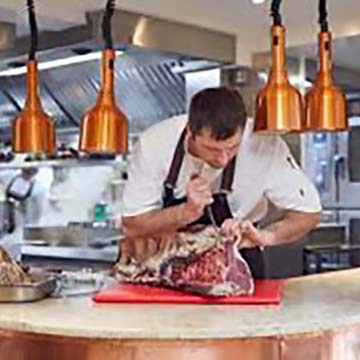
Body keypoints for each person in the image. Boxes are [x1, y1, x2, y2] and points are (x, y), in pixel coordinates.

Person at [120, 87, 321, 277]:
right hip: (168, 265)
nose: (223, 159)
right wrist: (185, 212)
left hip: (237, 264)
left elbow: (308, 214)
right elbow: (132, 226)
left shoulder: (264, 144)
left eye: (233, 148)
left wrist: (265, 236)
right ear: (190, 131)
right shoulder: (154, 144)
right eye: (212, 149)